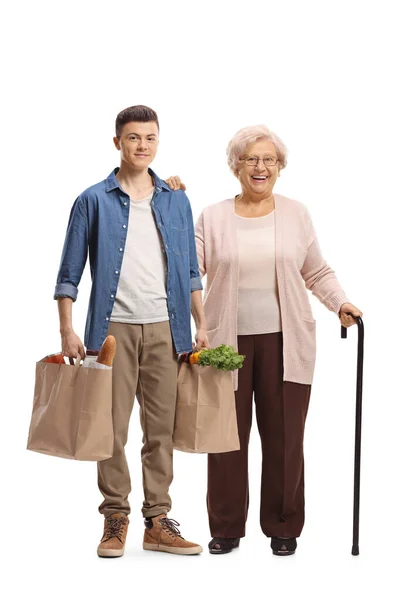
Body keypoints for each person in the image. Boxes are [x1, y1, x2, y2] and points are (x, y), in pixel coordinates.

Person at [194, 125, 362, 556]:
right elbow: (188, 276)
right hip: (224, 345)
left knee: (285, 438)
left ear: (280, 167)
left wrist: (339, 302)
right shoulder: (212, 217)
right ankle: (226, 527)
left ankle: (284, 525)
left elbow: (316, 271)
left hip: (286, 343)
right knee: (225, 439)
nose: (260, 167)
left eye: (269, 159)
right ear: (236, 165)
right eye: (251, 159)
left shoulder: (295, 213)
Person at [54, 105, 209, 557]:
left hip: (167, 327)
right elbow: (69, 271)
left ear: (158, 142)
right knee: (111, 428)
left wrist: (202, 324)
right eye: (133, 137)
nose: (142, 145)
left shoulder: (176, 198)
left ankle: (157, 521)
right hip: (111, 330)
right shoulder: (92, 200)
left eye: (150, 138)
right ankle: (115, 517)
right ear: (117, 142)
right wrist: (66, 328)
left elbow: (189, 270)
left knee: (161, 429)